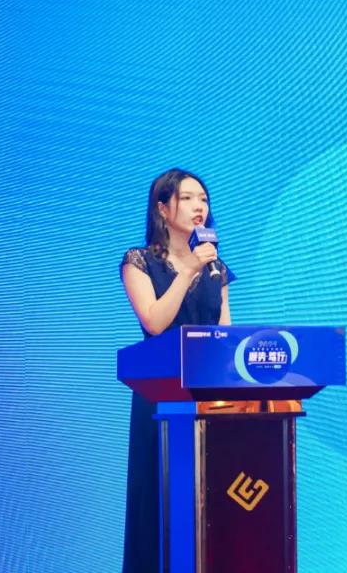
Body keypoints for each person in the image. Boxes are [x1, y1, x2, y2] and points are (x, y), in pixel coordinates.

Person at [119, 168, 233, 573]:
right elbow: (154, 321)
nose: (199, 206)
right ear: (163, 209)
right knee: (162, 497)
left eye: (203, 198)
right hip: (161, 398)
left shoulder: (217, 268)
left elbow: (225, 335)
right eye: (187, 198)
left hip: (209, 399)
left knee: (212, 499)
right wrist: (187, 272)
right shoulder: (139, 262)